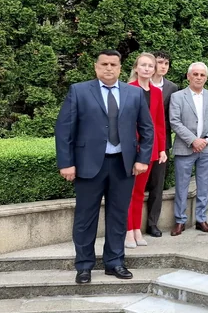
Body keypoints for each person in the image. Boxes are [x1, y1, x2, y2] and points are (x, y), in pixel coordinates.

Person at [55, 50, 154, 284]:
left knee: (119, 216)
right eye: (104, 64)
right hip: (89, 166)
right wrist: (66, 163)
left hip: (123, 165)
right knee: (85, 217)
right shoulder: (79, 91)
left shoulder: (135, 94)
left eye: (113, 64)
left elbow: (147, 129)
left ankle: (115, 262)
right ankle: (84, 265)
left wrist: (142, 159)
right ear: (96, 67)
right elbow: (64, 130)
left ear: (120, 68)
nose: (108, 68)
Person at [169, 62, 208, 236]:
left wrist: (206, 140)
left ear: (206, 78)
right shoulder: (177, 96)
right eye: (195, 74)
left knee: (203, 185)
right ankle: (180, 220)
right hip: (185, 148)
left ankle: (201, 219)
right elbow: (174, 121)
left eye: (202, 75)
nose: (199, 77)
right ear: (188, 76)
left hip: (206, 149)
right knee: (182, 186)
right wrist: (193, 140)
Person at [125, 53, 167, 248]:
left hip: (149, 150)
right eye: (143, 65)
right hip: (130, 149)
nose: (147, 69)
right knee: (128, 192)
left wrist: (161, 149)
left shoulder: (157, 92)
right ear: (136, 68)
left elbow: (158, 124)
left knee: (140, 192)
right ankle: (127, 231)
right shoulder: (127, 89)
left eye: (151, 66)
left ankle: (137, 230)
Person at [146, 51, 178, 237]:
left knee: (157, 185)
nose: (163, 66)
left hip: (162, 141)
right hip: (139, 141)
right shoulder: (141, 84)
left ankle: (152, 223)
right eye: (160, 62)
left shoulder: (172, 88)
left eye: (167, 63)